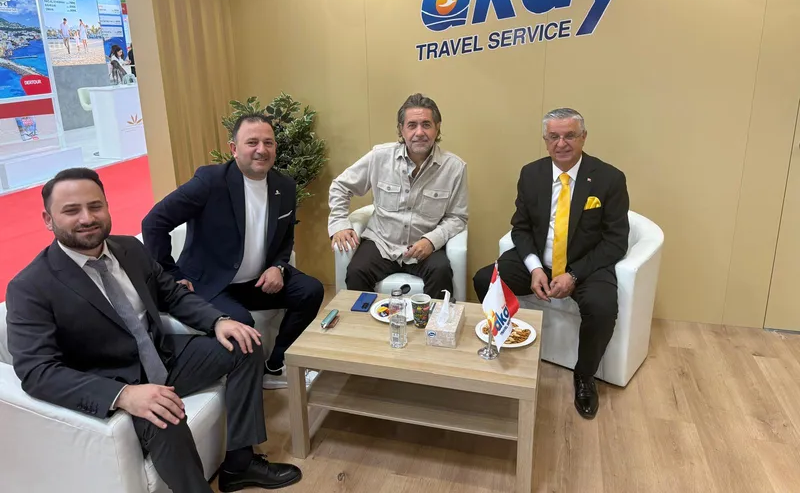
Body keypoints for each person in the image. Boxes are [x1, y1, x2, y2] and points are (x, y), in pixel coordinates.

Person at [5, 168, 302, 493]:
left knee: (245, 342)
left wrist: (218, 321)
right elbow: (37, 371)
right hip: (112, 379)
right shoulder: (30, 287)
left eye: (95, 206)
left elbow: (172, 294)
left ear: (107, 206)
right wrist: (122, 395)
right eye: (72, 210)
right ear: (48, 220)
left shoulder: (129, 249)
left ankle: (239, 465)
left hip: (161, 355)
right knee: (164, 413)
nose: (87, 218)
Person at [142, 113, 324, 389]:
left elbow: (285, 237)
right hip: (210, 283)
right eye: (252, 142)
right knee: (241, 322)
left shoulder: (284, 186)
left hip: (255, 282)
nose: (261, 150)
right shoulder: (210, 181)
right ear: (234, 148)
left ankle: (275, 364)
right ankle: (246, 379)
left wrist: (278, 266)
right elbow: (154, 223)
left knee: (311, 290)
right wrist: (170, 274)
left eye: (268, 142)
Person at [472, 108, 629, 420]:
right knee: (483, 279)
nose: (561, 143)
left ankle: (585, 375)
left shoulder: (609, 178)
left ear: (583, 137)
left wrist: (574, 274)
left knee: (602, 307)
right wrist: (533, 267)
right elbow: (520, 228)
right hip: (539, 261)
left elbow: (616, 241)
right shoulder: (531, 174)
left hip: (586, 265)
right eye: (553, 136)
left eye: (570, 135)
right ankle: (508, 340)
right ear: (545, 140)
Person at [328, 93, 468, 300]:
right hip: (381, 242)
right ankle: (364, 321)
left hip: (424, 246)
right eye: (412, 125)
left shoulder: (454, 168)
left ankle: (432, 322)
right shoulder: (379, 157)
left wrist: (431, 240)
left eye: (426, 125)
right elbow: (340, 186)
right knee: (356, 272)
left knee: (441, 273)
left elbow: (457, 217)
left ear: (437, 128)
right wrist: (340, 223)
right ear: (401, 129)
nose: (419, 132)